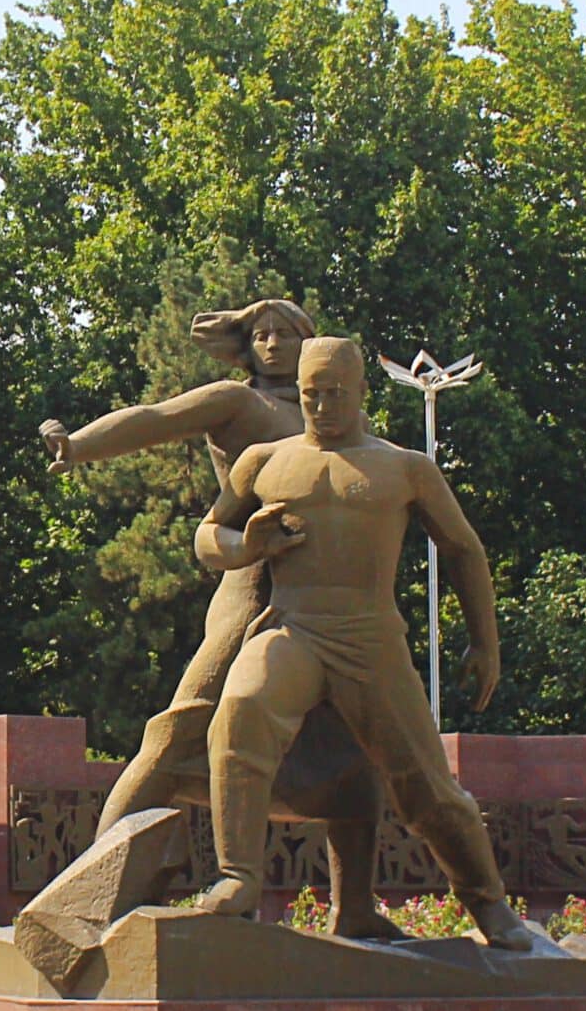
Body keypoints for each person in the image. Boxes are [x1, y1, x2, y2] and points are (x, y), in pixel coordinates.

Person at [38, 299, 403, 940]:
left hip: (333, 605)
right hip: (253, 582)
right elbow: (154, 420)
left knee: (357, 751)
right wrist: (80, 446)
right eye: (259, 334)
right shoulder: (240, 406)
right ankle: (91, 887)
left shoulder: (338, 417)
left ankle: (356, 908)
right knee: (183, 727)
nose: (271, 345)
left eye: (286, 334)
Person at [195, 336, 532, 950]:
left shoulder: (403, 467)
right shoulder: (265, 461)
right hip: (293, 625)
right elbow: (208, 535)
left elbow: (462, 548)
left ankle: (491, 908)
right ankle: (237, 877)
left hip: (370, 638)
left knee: (426, 784)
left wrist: (485, 642)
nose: (321, 406)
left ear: (360, 393)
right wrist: (247, 547)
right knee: (239, 713)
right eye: (309, 395)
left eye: (335, 394)